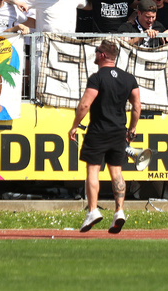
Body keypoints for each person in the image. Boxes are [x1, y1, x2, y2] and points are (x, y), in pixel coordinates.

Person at [68, 39, 140, 234]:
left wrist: (74, 126)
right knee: (116, 172)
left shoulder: (97, 77)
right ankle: (119, 211)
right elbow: (137, 107)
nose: (95, 54)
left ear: (102, 55)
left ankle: (93, 210)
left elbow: (84, 104)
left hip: (98, 131)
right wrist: (132, 129)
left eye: (97, 51)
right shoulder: (129, 78)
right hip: (119, 131)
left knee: (93, 170)